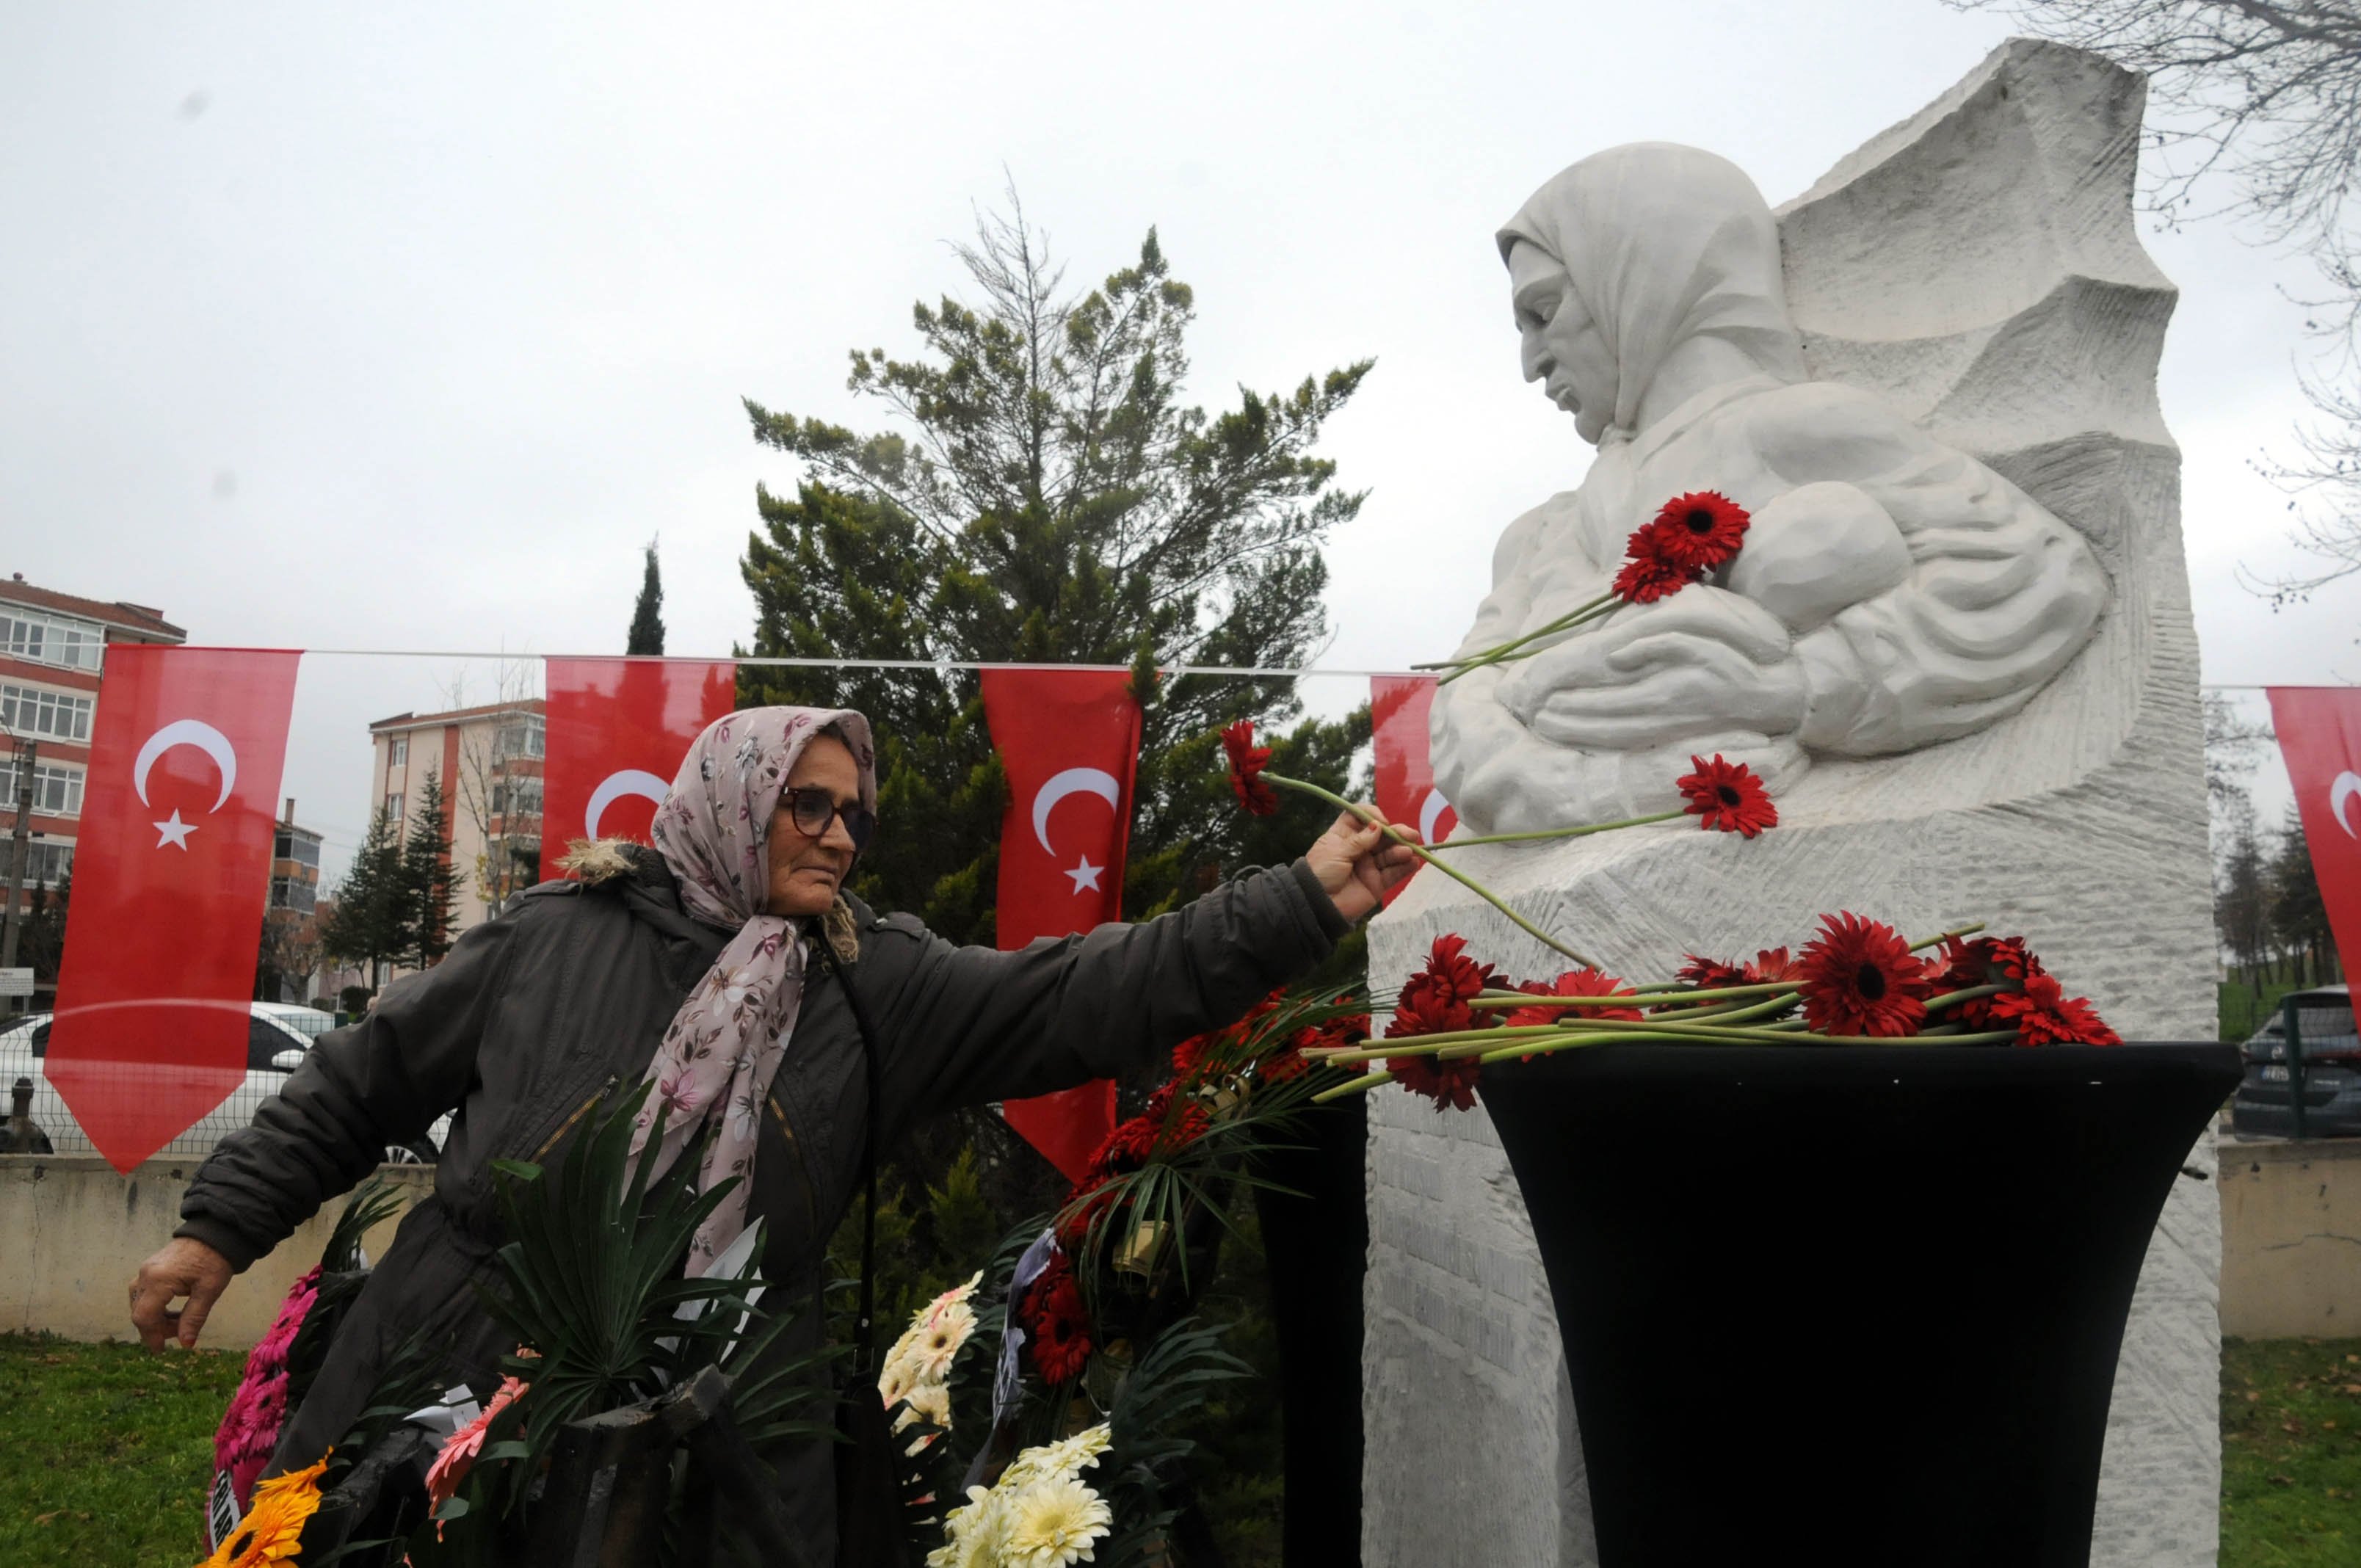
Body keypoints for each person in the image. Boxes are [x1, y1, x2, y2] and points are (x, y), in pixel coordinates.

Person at [129, 705, 1413, 1554]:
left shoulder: (874, 984)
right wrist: (217, 1230)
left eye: (855, 812)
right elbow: (364, 1075)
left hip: (725, 1429)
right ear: (735, 800)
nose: (842, 834)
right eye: (810, 803)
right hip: (453, 1358)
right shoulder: (558, 936)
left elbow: (1082, 993)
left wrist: (1299, 900)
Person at [1432, 142, 2109, 833]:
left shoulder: (1798, 427)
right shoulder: (1540, 535)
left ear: (1643, 278)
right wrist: (1623, 783)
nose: (1531, 362)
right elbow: (1464, 710)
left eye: (1545, 311)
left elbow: (2043, 580)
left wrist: (1795, 686)